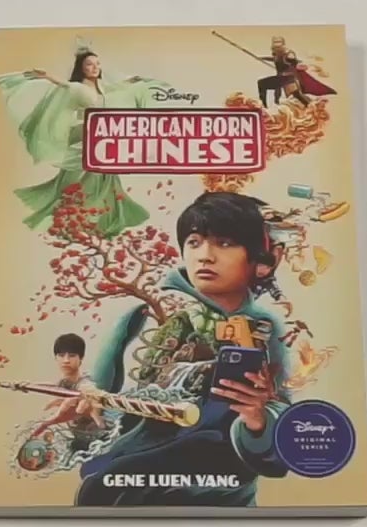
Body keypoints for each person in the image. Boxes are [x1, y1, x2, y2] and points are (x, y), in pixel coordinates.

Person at [74, 191, 297, 507]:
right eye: (194, 242)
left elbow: (287, 431)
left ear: (259, 259)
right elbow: (97, 399)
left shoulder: (269, 328)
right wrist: (85, 406)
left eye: (224, 243)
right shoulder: (142, 317)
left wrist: (259, 420)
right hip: (125, 481)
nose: (205, 256)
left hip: (221, 492)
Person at [0, 49, 169, 236]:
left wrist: (133, 81)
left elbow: (115, 87)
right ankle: (74, 218)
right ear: (81, 68)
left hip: (101, 138)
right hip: (84, 138)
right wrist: (47, 76)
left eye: (97, 64)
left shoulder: (101, 86)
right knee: (79, 179)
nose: (95, 68)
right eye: (89, 65)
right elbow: (65, 85)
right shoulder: (78, 88)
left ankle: (98, 219)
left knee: (105, 179)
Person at [30, 333, 107, 457]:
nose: (66, 360)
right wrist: (25, 385)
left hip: (99, 441)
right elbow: (53, 385)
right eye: (61, 355)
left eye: (72, 356)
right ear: (56, 358)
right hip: (78, 440)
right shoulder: (64, 382)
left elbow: (91, 392)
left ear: (80, 359)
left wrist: (90, 400)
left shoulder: (85, 384)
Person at [256, 36, 336, 108]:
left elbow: (293, 61)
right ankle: (309, 104)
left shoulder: (288, 53)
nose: (277, 46)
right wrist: (262, 58)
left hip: (286, 78)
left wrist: (294, 62)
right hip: (285, 79)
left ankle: (263, 106)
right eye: (275, 44)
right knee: (296, 94)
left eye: (278, 44)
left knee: (262, 83)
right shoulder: (277, 55)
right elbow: (274, 59)